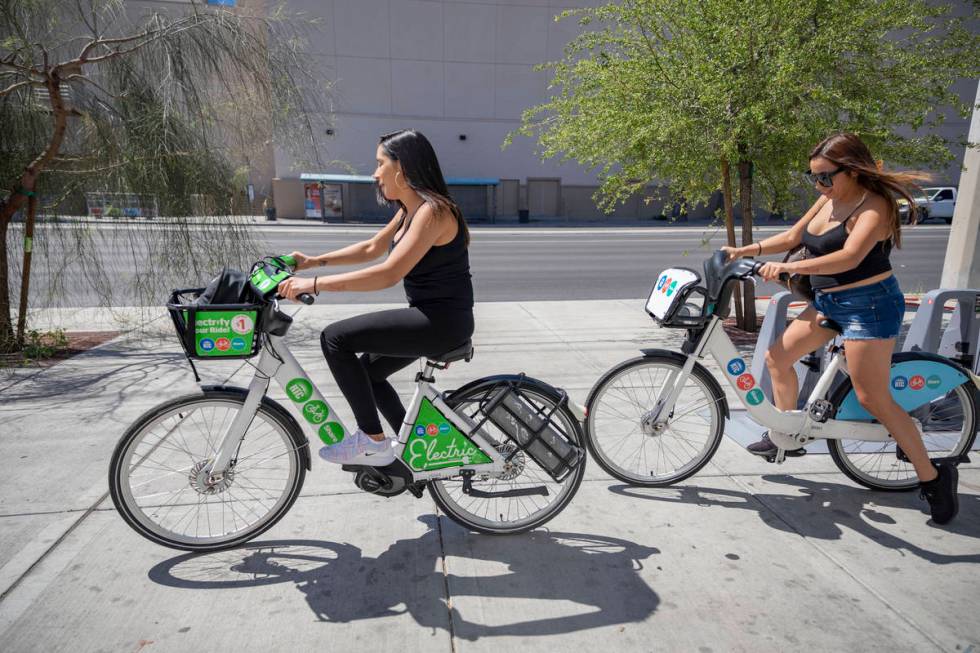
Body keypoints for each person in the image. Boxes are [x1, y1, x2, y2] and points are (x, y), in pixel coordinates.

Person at [722, 132, 959, 525]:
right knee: (777, 357)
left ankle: (932, 476)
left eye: (826, 177)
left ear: (850, 171)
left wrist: (789, 267)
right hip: (828, 301)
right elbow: (795, 236)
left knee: (873, 399)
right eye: (813, 177)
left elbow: (848, 258)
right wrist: (746, 251)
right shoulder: (828, 197)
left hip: (870, 306)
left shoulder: (876, 206)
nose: (819, 185)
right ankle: (787, 432)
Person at [278, 130, 474, 465]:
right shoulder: (409, 210)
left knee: (335, 339)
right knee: (369, 372)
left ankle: (371, 439)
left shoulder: (434, 212)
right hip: (430, 317)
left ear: (403, 168)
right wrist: (313, 261)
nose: (375, 173)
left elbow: (388, 274)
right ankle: (413, 451)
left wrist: (313, 284)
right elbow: (371, 248)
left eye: (380, 163)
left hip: (442, 322)